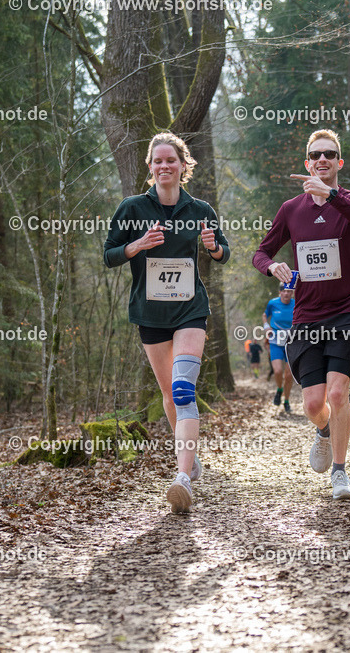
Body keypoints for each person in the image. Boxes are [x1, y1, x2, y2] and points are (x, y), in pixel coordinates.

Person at [104, 132, 230, 514]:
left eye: (170, 161)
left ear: (182, 165)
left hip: (190, 309)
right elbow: (109, 255)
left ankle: (181, 479)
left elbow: (223, 253)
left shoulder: (200, 209)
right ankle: (189, 457)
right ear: (149, 167)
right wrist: (137, 246)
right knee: (167, 393)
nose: (164, 167)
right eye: (157, 161)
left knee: (181, 390)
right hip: (151, 315)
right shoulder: (132, 208)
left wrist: (212, 247)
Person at [253, 129, 350, 500]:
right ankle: (323, 430)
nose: (322, 159)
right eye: (315, 155)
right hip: (307, 316)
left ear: (339, 162)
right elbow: (261, 252)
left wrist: (333, 196)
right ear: (307, 163)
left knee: (339, 394)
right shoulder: (292, 209)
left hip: (348, 311)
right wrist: (272, 266)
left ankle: (340, 473)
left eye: (330, 154)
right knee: (312, 404)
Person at [263, 285, 296, 412]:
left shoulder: (296, 304)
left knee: (288, 376)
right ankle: (279, 389)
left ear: (292, 293)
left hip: (291, 342)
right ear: (280, 292)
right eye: (284, 291)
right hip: (275, 341)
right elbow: (264, 315)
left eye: (289, 291)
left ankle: (286, 401)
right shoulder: (273, 303)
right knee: (277, 371)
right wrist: (266, 326)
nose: (286, 293)